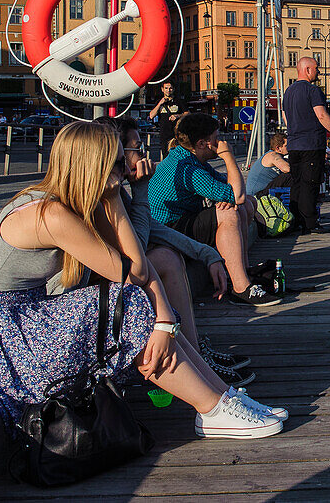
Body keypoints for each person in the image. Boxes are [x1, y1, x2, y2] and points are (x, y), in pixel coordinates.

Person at [0, 122, 285, 440]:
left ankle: (221, 398)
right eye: (117, 160)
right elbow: (131, 271)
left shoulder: (71, 203)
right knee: (127, 307)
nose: (127, 167)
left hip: (19, 319)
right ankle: (212, 409)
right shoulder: (51, 214)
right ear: (94, 165)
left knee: (138, 303)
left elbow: (139, 264)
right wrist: (115, 198)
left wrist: (165, 320)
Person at [93, 116, 253, 384]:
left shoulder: (119, 192)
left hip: (160, 236)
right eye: (136, 148)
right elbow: (138, 256)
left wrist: (208, 254)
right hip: (99, 292)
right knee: (166, 258)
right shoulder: (107, 196)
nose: (143, 153)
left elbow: (152, 230)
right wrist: (141, 189)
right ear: (115, 154)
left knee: (238, 208)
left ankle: (197, 353)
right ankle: (198, 356)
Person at [148, 113, 277, 306]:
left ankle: (243, 270)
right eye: (216, 138)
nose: (220, 142)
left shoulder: (190, 158)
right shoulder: (189, 170)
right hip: (168, 231)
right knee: (229, 213)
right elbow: (237, 195)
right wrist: (227, 156)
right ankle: (240, 289)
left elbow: (236, 191)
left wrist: (231, 198)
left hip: (180, 222)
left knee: (245, 205)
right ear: (202, 143)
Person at [282, 57, 330, 234]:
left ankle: (296, 220)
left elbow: (286, 118)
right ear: (307, 69)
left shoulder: (289, 91)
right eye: (316, 68)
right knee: (311, 184)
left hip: (294, 144)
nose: (319, 71)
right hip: (311, 144)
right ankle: (310, 224)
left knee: (297, 183)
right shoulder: (312, 90)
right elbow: (321, 115)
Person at [246, 132, 293, 197]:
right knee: (288, 176)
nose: (289, 148)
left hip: (263, 191)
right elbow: (287, 169)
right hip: (256, 195)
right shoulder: (272, 155)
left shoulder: (278, 157)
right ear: (278, 148)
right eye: (286, 146)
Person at [149, 82, 187, 160]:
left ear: (173, 89)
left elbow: (187, 113)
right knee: (166, 157)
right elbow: (151, 115)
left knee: (178, 156)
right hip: (164, 134)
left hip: (177, 133)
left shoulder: (178, 101)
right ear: (162, 89)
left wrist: (178, 116)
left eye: (170, 88)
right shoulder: (159, 102)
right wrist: (160, 103)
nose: (168, 90)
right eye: (166, 88)